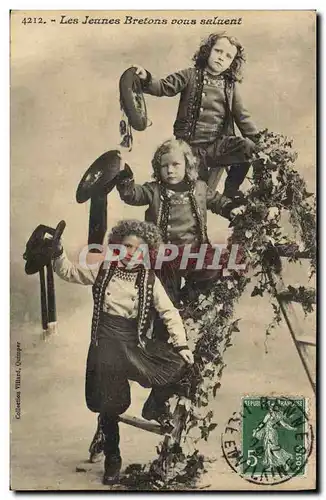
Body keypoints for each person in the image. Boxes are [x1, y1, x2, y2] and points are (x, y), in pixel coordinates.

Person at [53, 219, 194, 485]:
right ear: (117, 246)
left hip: (134, 344)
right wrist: (58, 252)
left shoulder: (149, 279)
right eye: (127, 246)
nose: (131, 253)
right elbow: (70, 272)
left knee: (180, 364)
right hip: (106, 346)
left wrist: (181, 344)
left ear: (147, 252)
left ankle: (153, 406)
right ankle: (113, 458)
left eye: (139, 249)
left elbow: (168, 312)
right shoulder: (103, 270)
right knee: (110, 404)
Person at [133, 32, 260, 198]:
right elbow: (164, 86)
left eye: (228, 56)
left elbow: (243, 117)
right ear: (208, 51)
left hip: (217, 146)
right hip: (189, 148)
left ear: (232, 63)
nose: (222, 58)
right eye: (218, 51)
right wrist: (146, 78)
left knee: (249, 148)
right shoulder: (190, 75)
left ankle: (231, 189)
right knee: (197, 193)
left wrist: (260, 142)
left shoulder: (230, 86)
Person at [117, 138, 242, 305]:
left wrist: (231, 209)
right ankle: (173, 308)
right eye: (164, 166)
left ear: (187, 165)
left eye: (175, 164)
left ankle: (187, 300)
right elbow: (133, 195)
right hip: (164, 254)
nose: (170, 170)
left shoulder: (200, 188)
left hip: (195, 250)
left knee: (212, 269)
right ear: (157, 168)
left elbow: (218, 202)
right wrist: (125, 179)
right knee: (165, 295)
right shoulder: (153, 190)